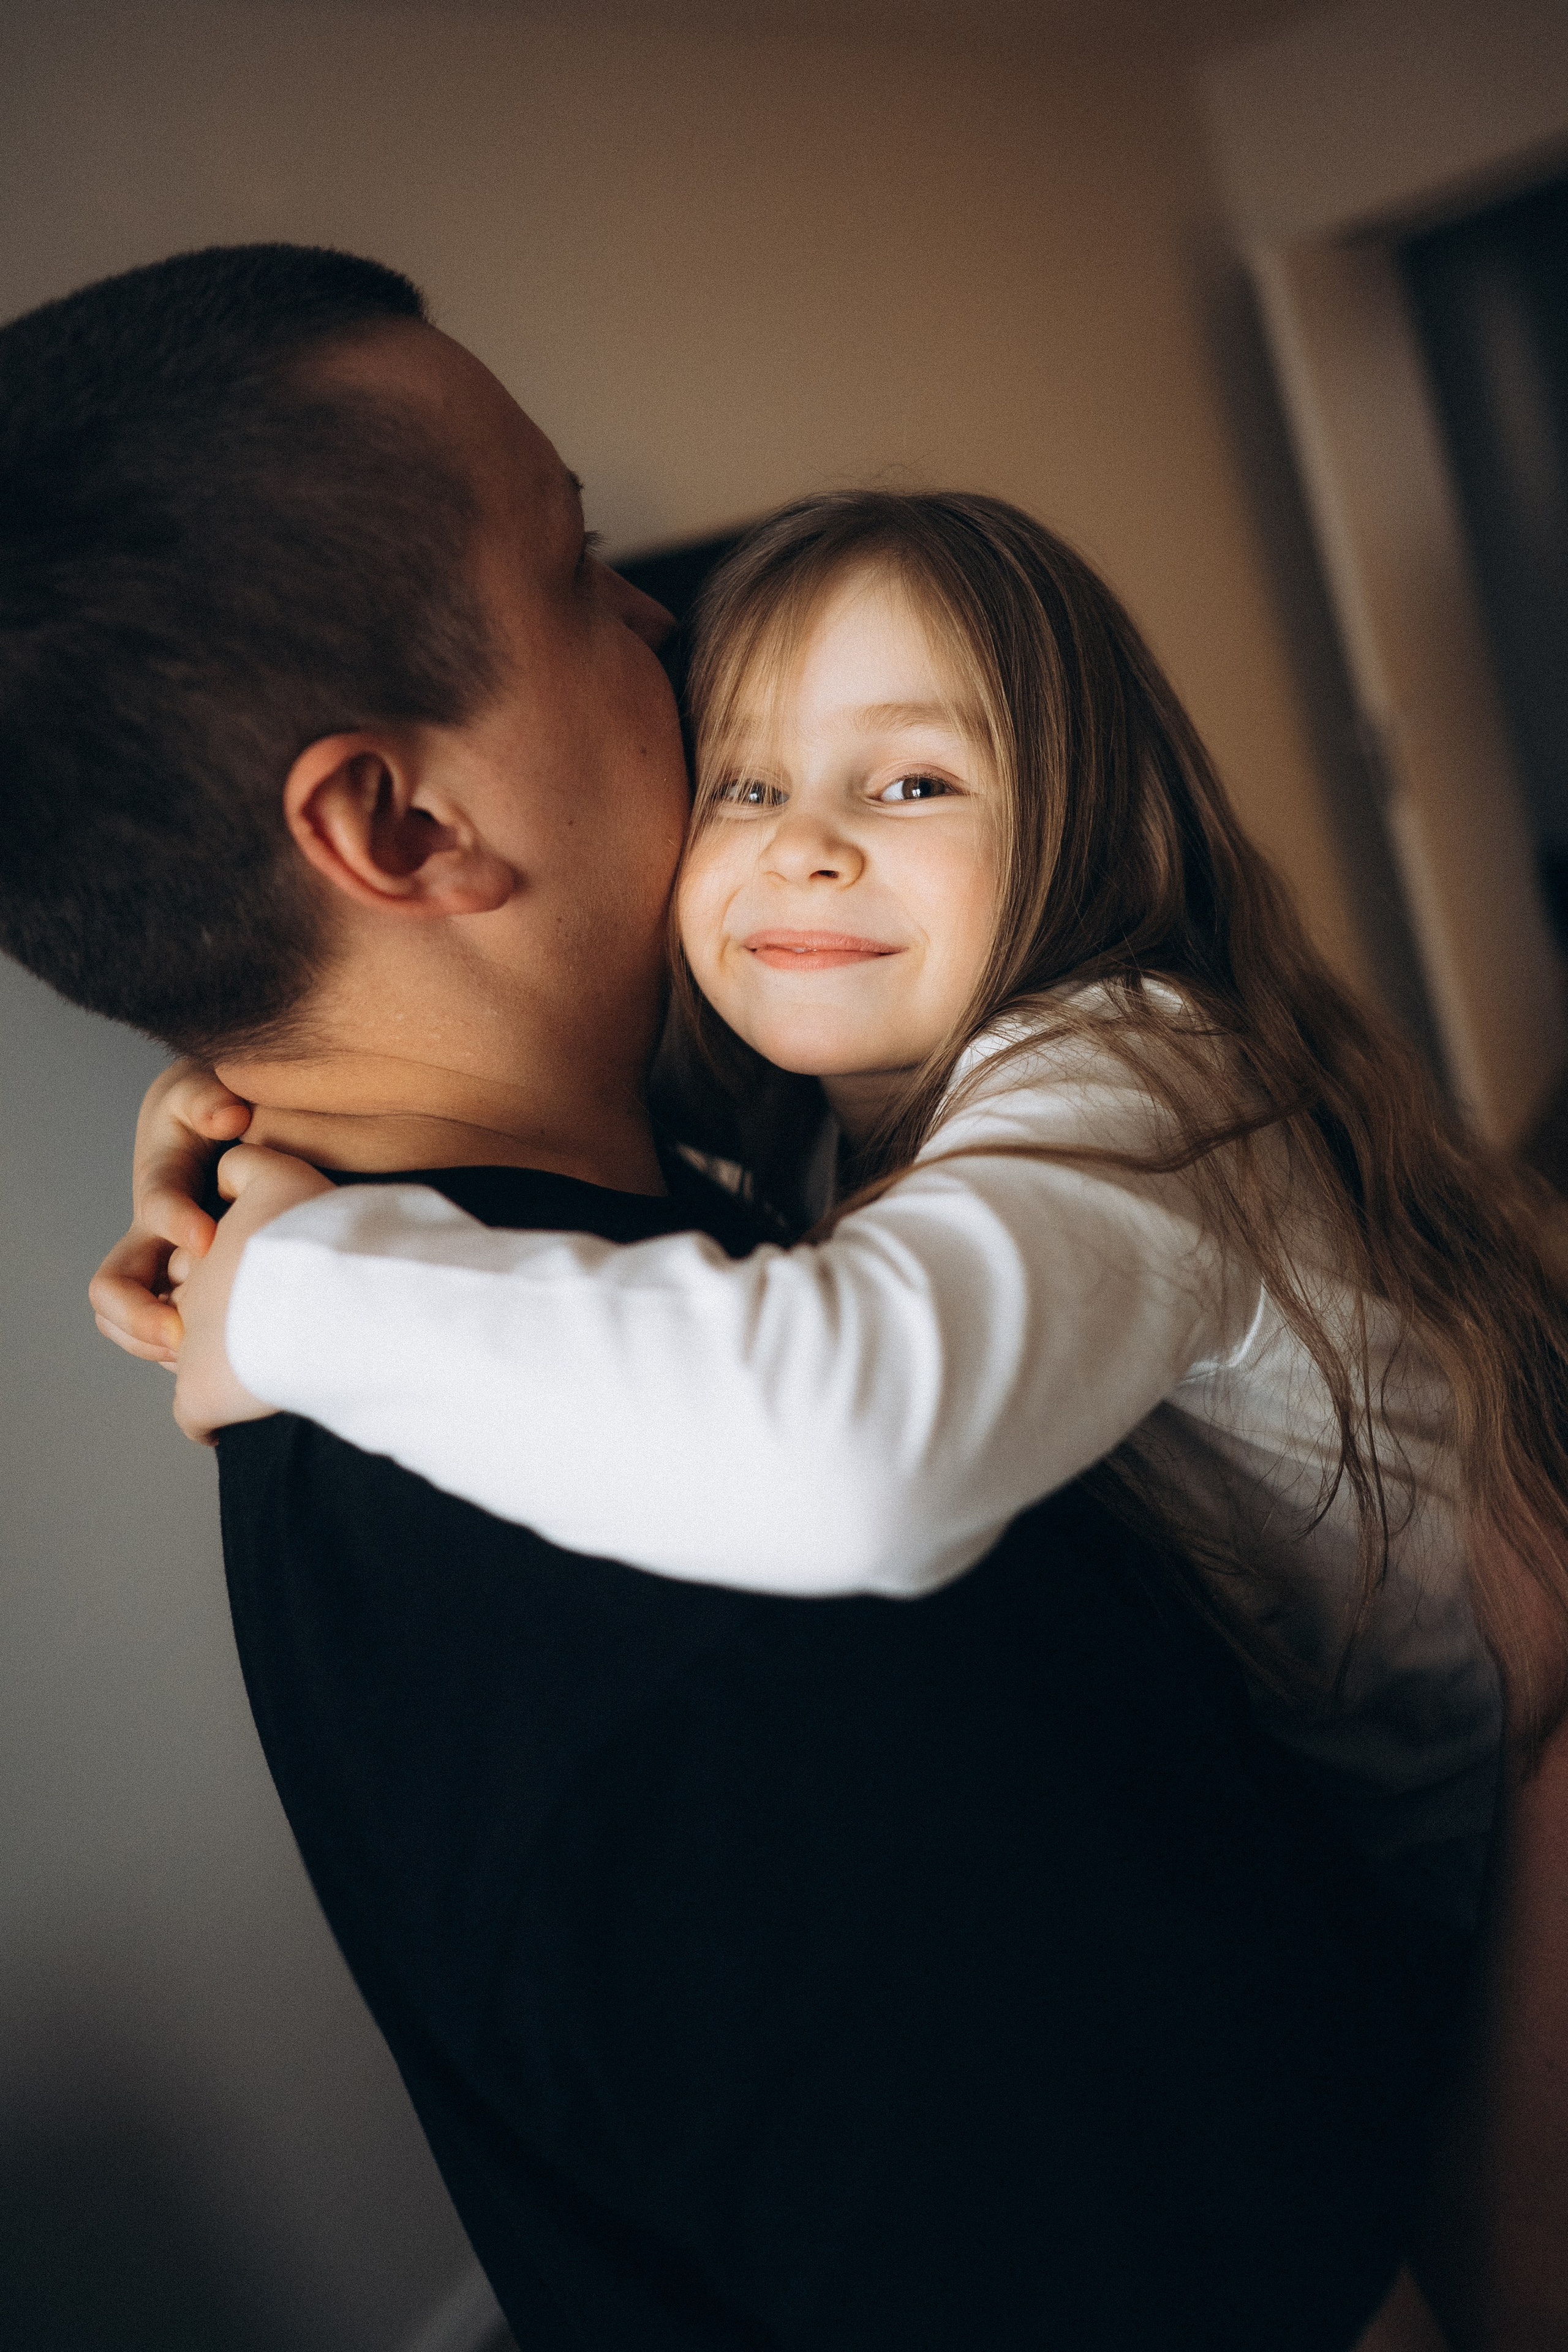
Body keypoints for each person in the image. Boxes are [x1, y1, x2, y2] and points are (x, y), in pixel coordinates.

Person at [2, 242, 1472, 2348]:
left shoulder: (483, 1293)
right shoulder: (725, 1607)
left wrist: (264, 1190)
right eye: (582, 565)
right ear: (399, 823)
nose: (660, 623)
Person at [153, 491, 1568, 1958]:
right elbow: (429, 1053)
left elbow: (850, 1449)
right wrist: (233, 1108)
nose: (807, 848)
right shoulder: (831, 1098)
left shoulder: (1124, 1080)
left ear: (1084, 828)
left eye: (909, 786)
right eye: (745, 788)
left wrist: (291, 1298)